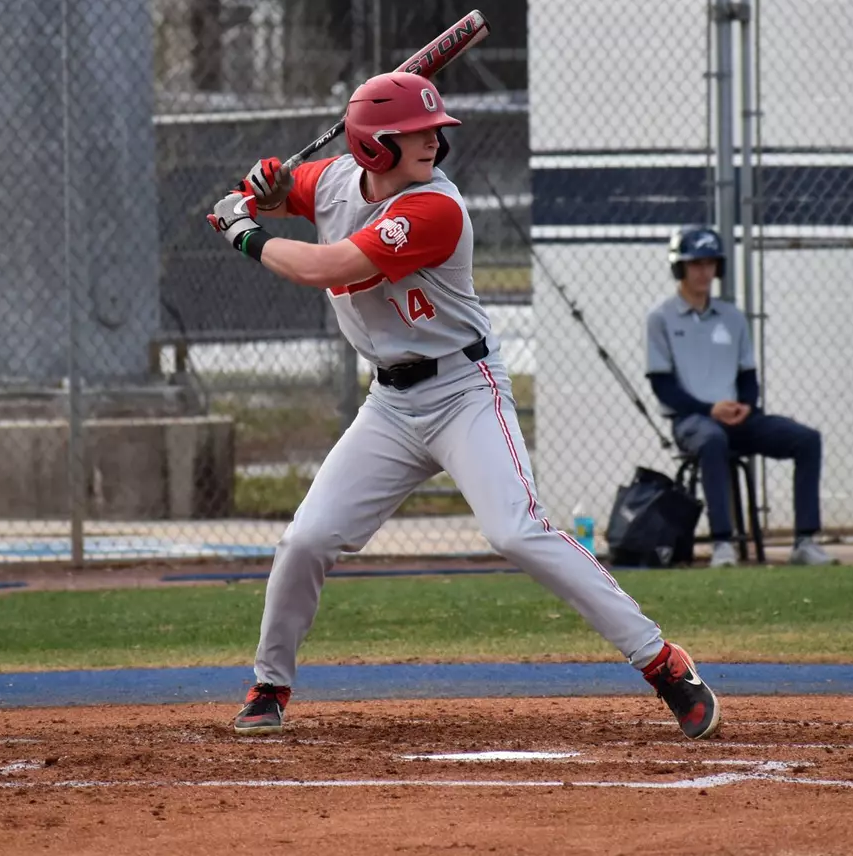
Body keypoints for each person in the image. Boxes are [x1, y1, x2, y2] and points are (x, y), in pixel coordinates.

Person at [207, 72, 721, 740]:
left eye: (433, 131)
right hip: (389, 405)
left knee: (515, 530)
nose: (431, 141)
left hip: (463, 392)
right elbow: (283, 190)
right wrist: (263, 190)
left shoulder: (436, 210)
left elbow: (323, 267)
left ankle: (663, 664)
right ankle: (269, 685)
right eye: (413, 133)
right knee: (304, 539)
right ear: (371, 148)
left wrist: (244, 231)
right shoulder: (332, 178)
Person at [645, 226, 835, 568]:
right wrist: (708, 409)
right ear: (680, 268)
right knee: (713, 440)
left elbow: (748, 377)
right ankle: (723, 545)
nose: (704, 272)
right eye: (695, 264)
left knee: (807, 440)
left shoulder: (733, 318)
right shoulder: (660, 318)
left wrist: (745, 405)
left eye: (710, 264)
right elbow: (663, 386)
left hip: (737, 417)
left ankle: (805, 541)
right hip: (692, 421)